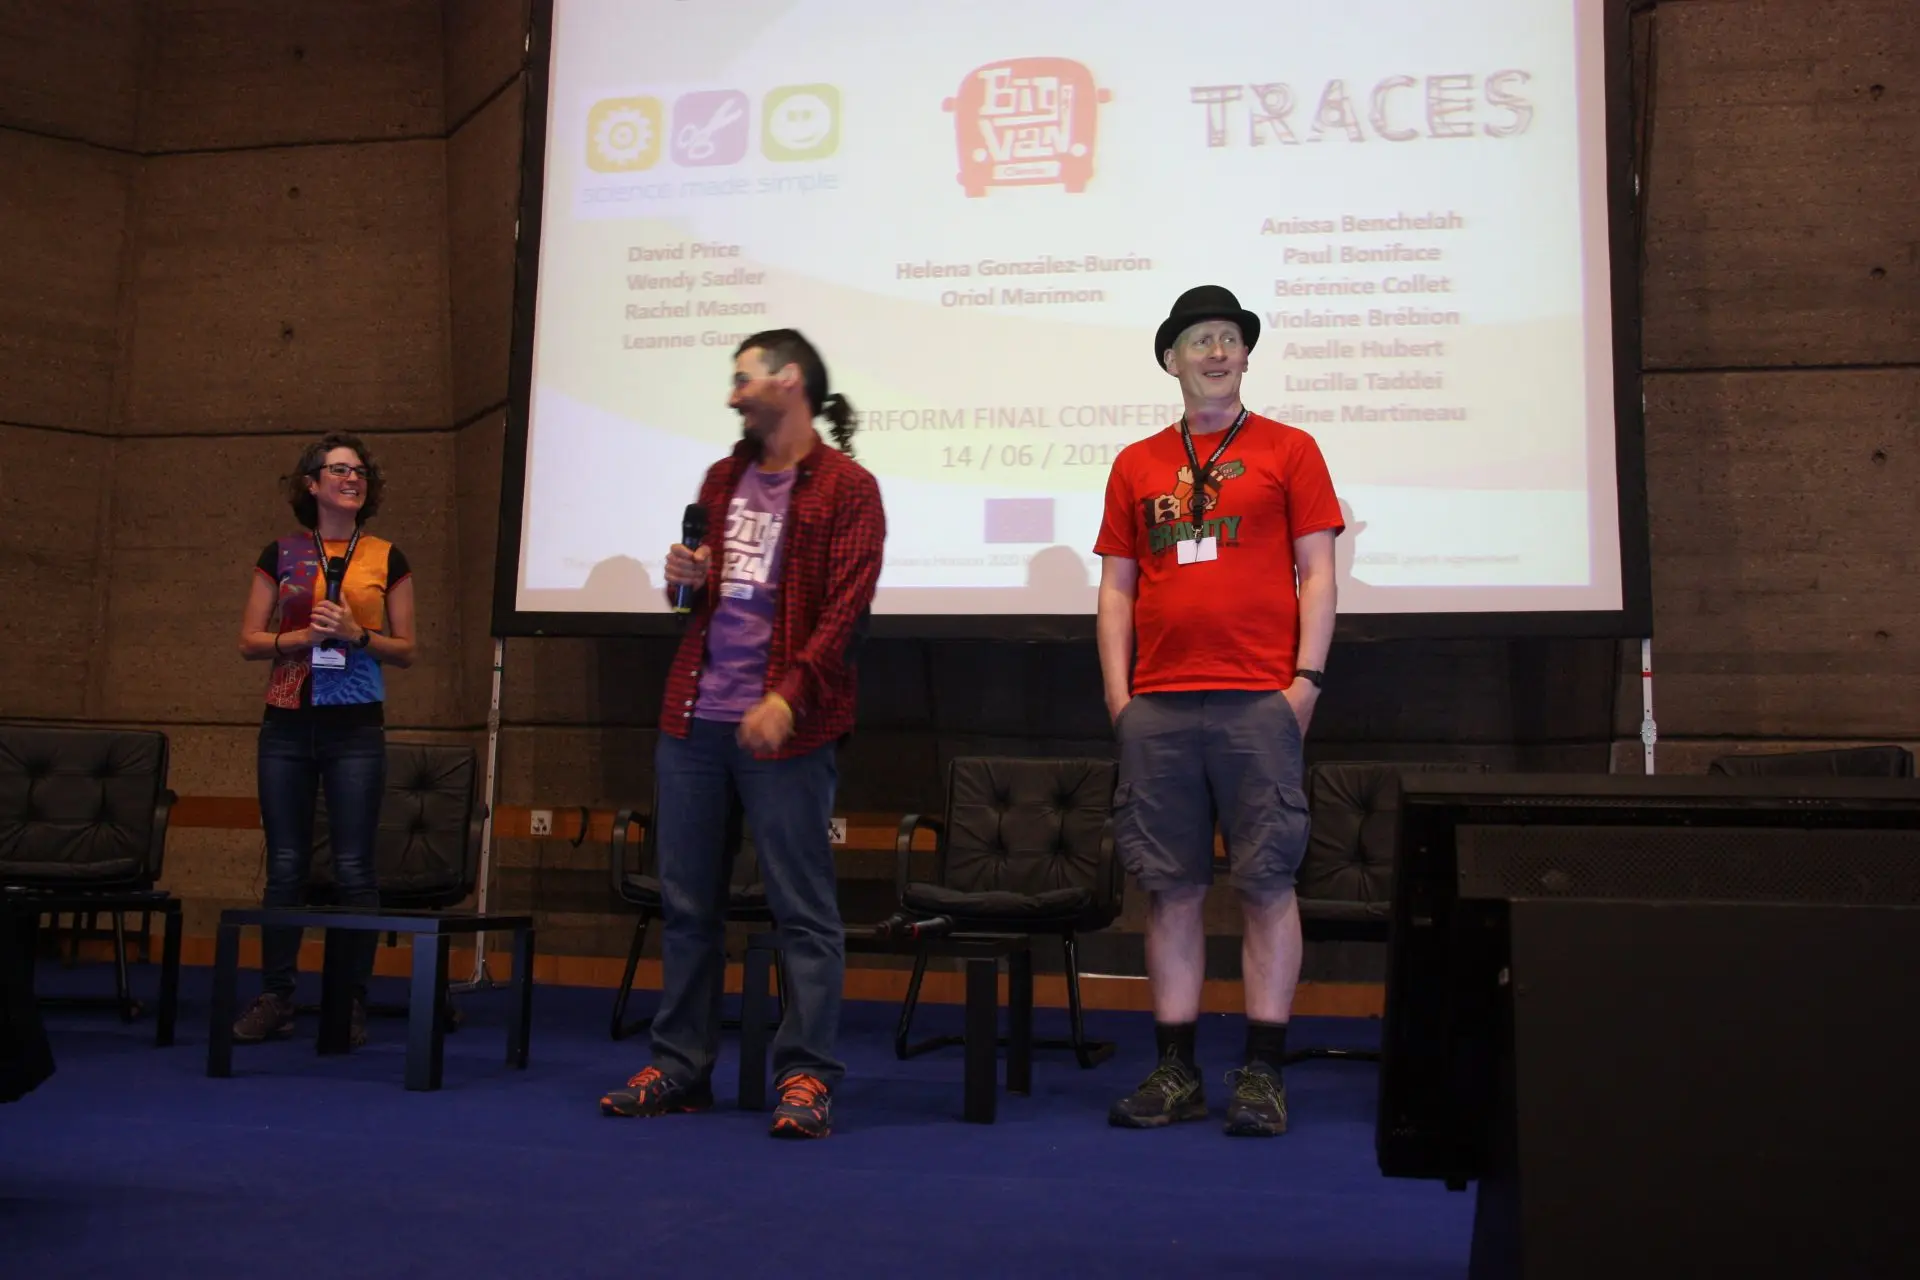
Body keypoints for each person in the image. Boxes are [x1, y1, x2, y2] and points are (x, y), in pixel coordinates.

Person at [599, 329, 885, 1139]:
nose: (732, 396)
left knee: (803, 912)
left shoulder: (848, 488)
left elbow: (846, 614)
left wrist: (788, 698)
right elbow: (696, 607)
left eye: (743, 379)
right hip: (694, 720)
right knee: (688, 906)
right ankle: (680, 1067)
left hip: (789, 729)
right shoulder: (722, 479)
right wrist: (683, 582)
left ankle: (806, 1076)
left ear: (788, 380)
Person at [1094, 285, 1342, 1136]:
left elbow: (1318, 572)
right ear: (1171, 359)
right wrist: (1119, 696)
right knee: (1171, 891)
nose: (1216, 352)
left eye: (1229, 338)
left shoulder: (1290, 449)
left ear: (1245, 355)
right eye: (1199, 339)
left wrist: (1306, 680)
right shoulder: (1136, 463)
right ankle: (1176, 1072)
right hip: (1158, 706)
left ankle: (1263, 1074)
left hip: (1259, 700)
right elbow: (1117, 589)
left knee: (1267, 885)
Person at [231, 434, 417, 1047]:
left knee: (354, 866)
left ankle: (348, 1000)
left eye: (359, 471)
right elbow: (248, 640)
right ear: (311, 484)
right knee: (286, 864)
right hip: (287, 719)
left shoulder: (387, 556)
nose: (352, 478)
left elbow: (407, 650)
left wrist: (356, 634)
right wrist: (302, 640)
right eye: (338, 469)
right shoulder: (281, 552)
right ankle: (276, 996)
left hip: (356, 723)